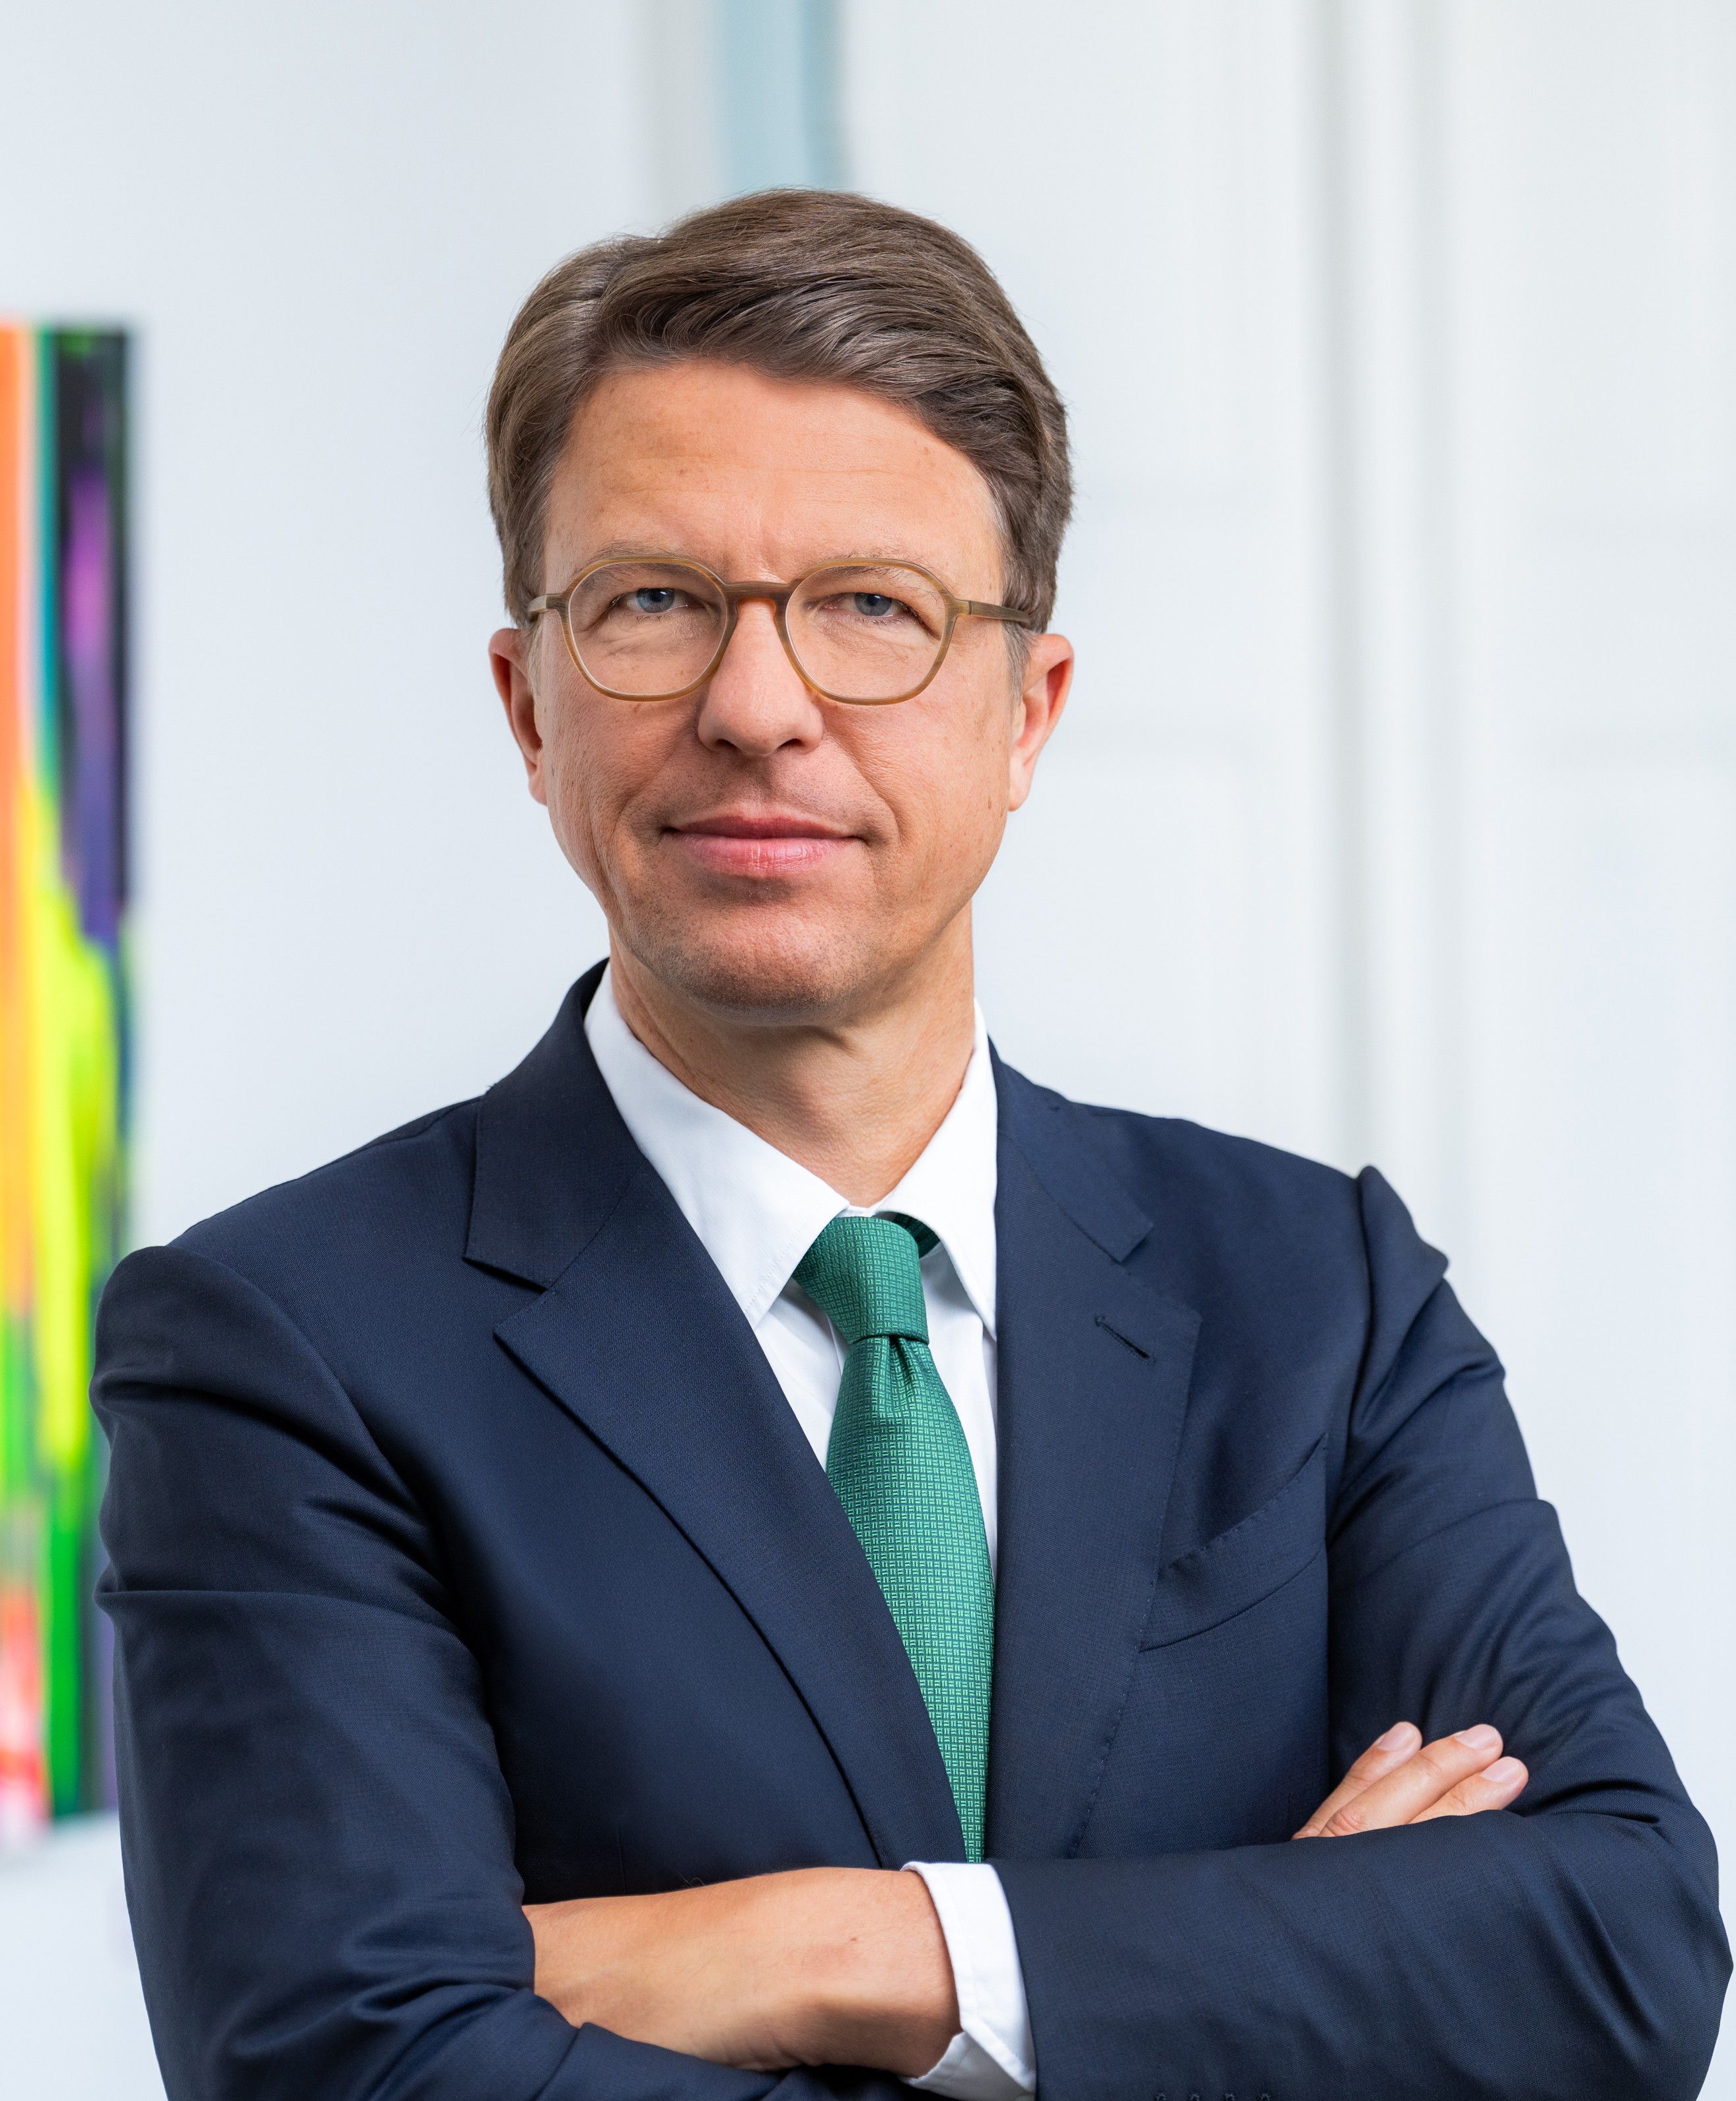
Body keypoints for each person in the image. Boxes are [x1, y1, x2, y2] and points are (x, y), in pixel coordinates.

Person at [94, 190, 1728, 2101]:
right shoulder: (282, 1348)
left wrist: (833, 1947)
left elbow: (1621, 1954)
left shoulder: (1321, 1291)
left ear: (1029, 711)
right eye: (652, 602)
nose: (755, 708)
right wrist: (1262, 1968)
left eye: (874, 606)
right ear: (529, 707)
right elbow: (352, 2072)